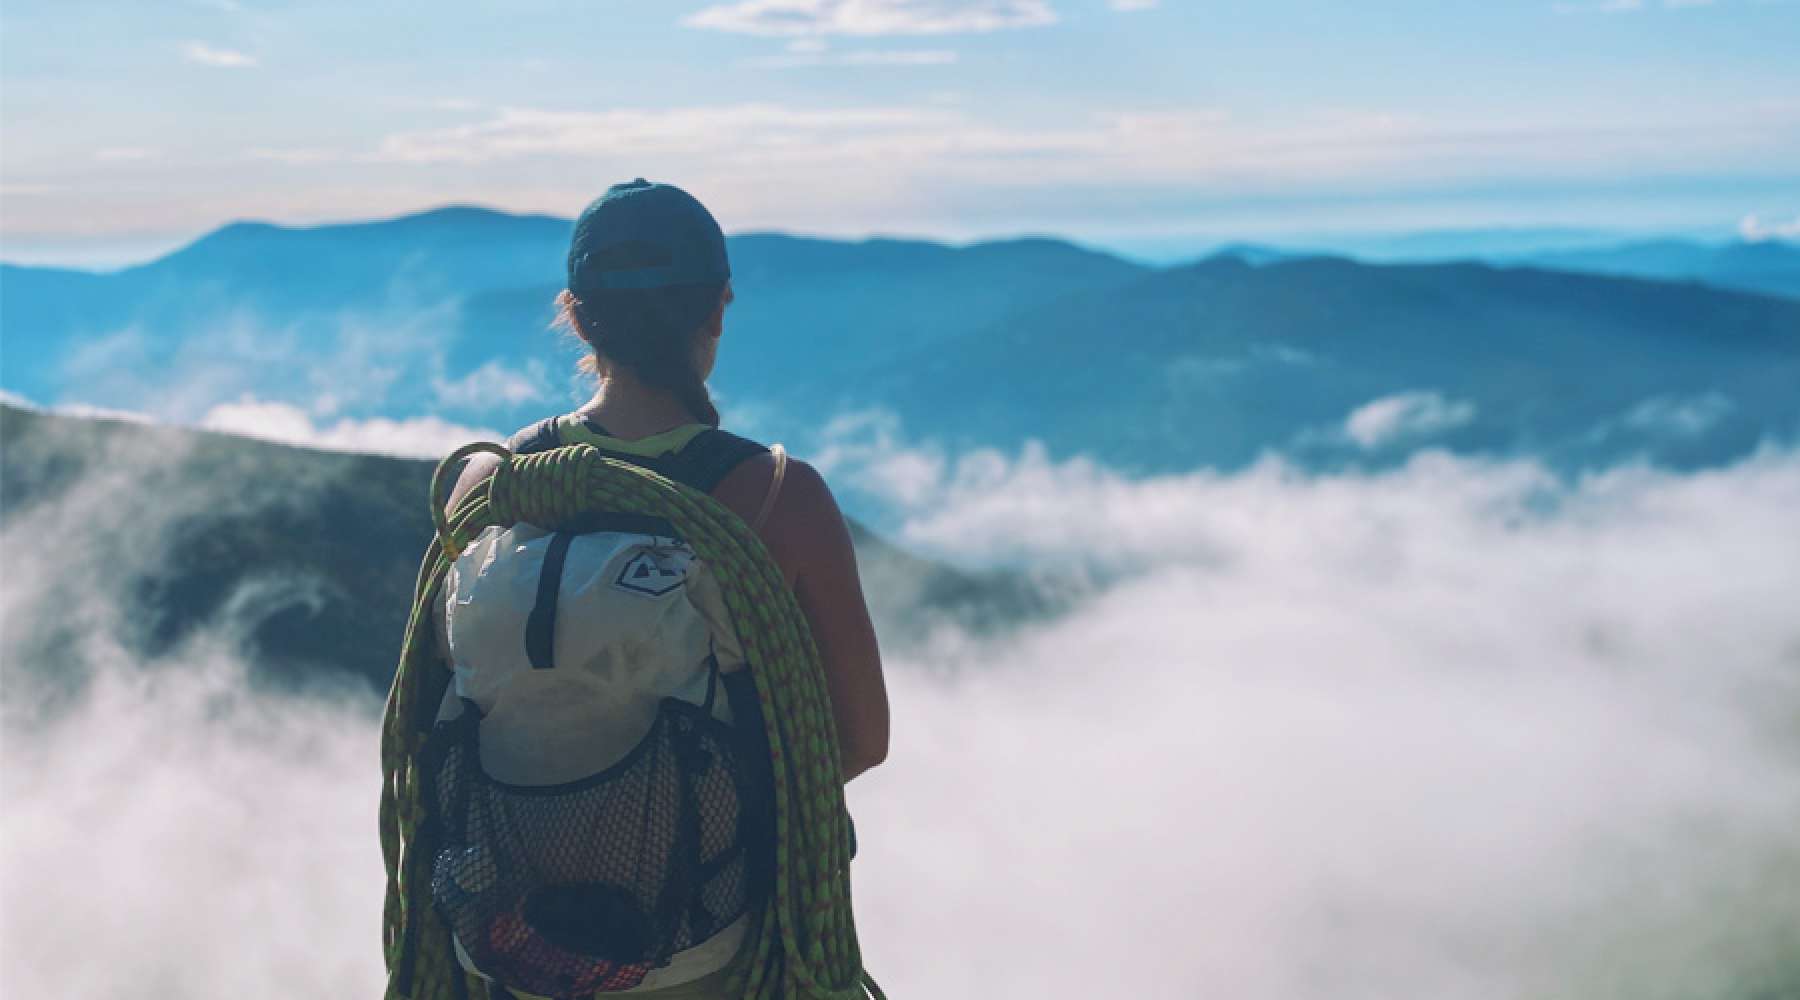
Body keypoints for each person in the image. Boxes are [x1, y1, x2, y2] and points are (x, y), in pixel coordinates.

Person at [433, 179, 888, 997]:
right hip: (704, 949)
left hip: (509, 945)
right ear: (716, 311)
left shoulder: (487, 485)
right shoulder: (777, 497)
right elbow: (856, 740)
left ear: (575, 314)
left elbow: (444, 706)